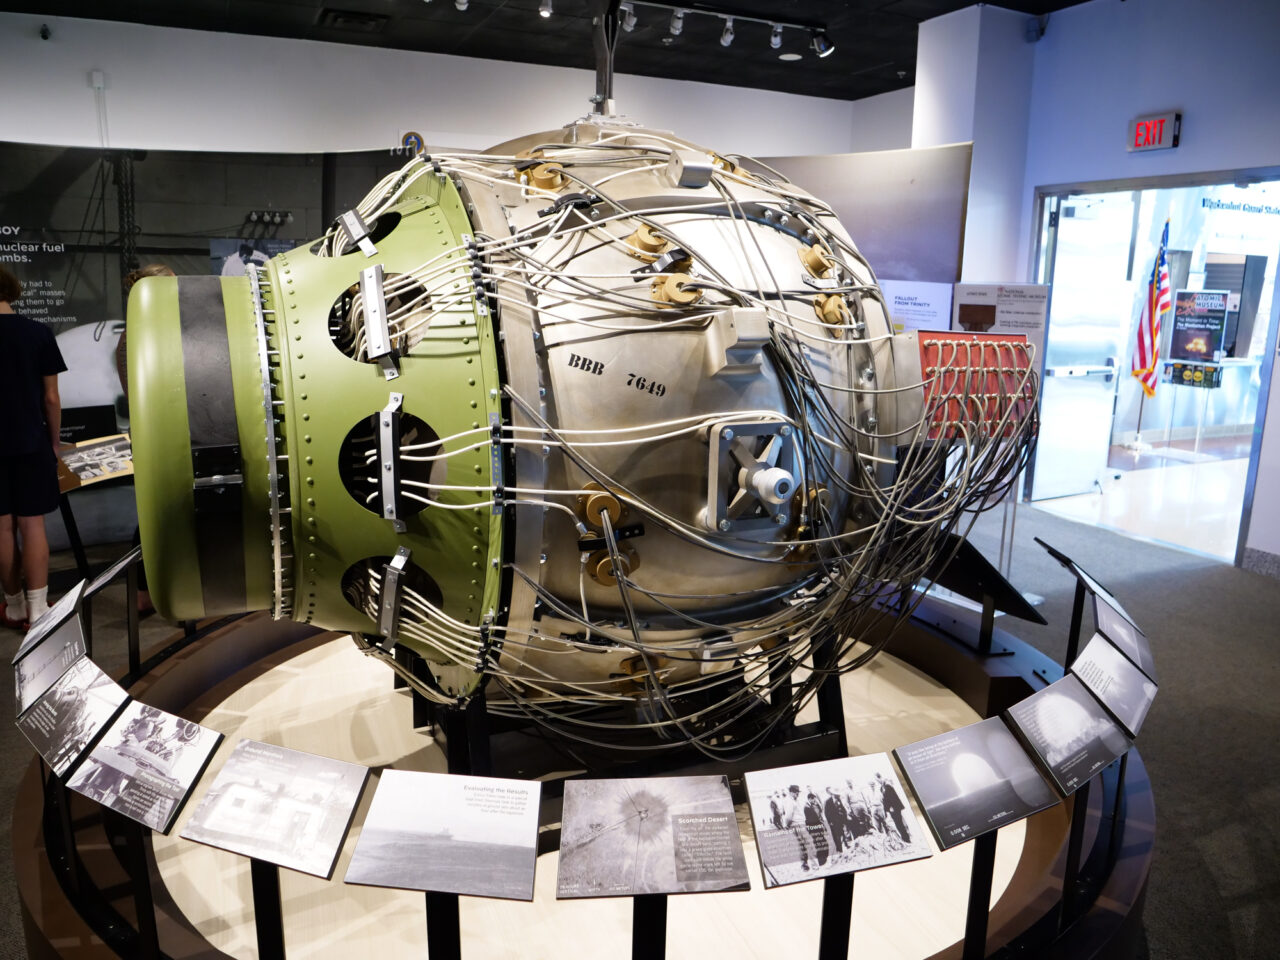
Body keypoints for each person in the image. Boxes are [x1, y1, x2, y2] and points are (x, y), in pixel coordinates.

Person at [0, 266, 66, 631]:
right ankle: (39, 608)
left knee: (1, 528)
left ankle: (12, 607)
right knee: (32, 523)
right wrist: (54, 441)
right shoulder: (38, 333)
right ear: (11, 290)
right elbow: (52, 398)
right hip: (30, 441)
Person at [877, 772, 912, 843]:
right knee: (897, 824)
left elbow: (893, 797)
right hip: (890, 809)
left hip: (894, 808)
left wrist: (892, 807)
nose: (877, 781)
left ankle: (906, 839)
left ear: (879, 777)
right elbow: (885, 799)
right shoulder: (882, 787)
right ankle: (904, 838)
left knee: (899, 823)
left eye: (877, 779)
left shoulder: (887, 786)